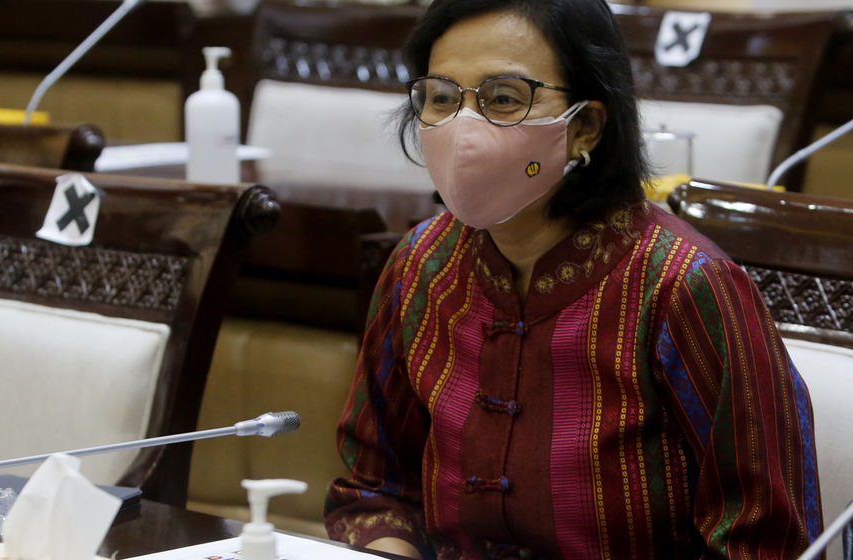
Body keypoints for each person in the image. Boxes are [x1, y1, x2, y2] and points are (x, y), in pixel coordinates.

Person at [324, 0, 823, 559]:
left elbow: (766, 544)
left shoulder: (685, 287)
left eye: (503, 99)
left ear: (584, 127)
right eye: (441, 98)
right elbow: (376, 491)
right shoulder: (421, 266)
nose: (463, 128)